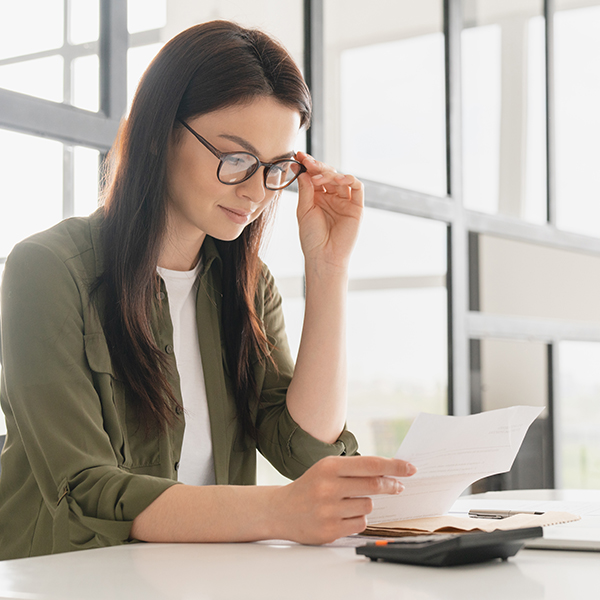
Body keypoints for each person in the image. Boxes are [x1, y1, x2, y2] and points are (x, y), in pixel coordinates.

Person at [0, 20, 415, 560]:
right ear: (158, 134)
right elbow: (85, 491)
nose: (254, 191)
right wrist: (278, 510)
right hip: (62, 579)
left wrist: (328, 267)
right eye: (236, 158)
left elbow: (307, 449)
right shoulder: (49, 270)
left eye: (273, 168)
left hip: (199, 576)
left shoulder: (246, 284)